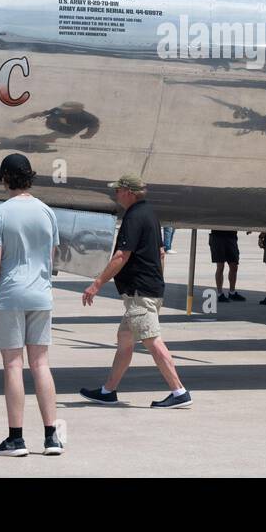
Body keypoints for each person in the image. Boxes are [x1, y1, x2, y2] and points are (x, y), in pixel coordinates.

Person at [80, 174, 191, 409]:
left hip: (140, 292)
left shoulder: (133, 216)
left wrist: (96, 284)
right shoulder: (149, 212)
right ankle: (108, 391)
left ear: (129, 192)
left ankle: (178, 390)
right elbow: (161, 252)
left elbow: (122, 255)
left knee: (152, 340)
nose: (115, 194)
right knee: (125, 341)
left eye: (118, 190)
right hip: (147, 289)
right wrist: (157, 280)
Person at [0, 154, 63, 457]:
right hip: (41, 294)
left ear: (4, 178)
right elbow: (52, 257)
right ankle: (51, 436)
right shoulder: (47, 212)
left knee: (13, 364)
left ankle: (16, 438)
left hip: (10, 294)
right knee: (41, 363)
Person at [209, 230, 245, 303]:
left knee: (234, 266)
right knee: (220, 266)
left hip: (231, 236)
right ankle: (220, 294)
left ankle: (232, 292)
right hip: (217, 236)